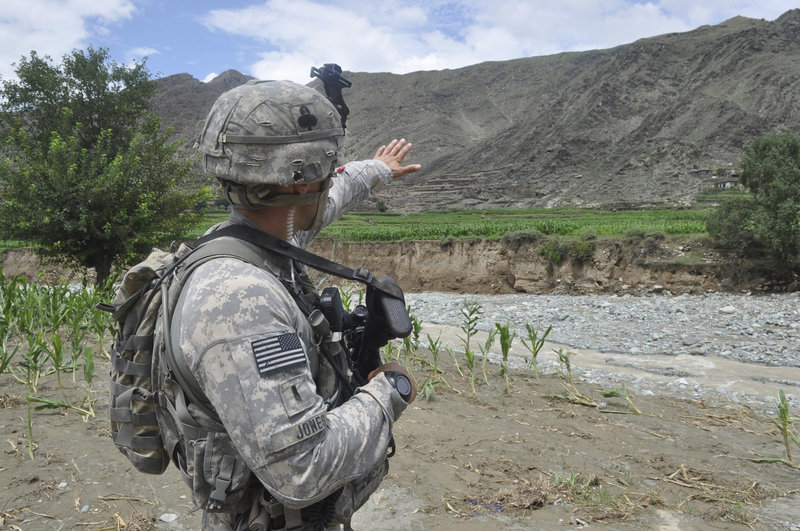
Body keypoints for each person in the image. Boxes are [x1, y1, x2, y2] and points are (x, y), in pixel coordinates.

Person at [166, 79, 422, 530]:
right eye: (327, 169)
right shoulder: (239, 300)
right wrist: (391, 391)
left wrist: (378, 169)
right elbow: (303, 470)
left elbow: (334, 194)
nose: (331, 182)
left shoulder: (253, 242)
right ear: (302, 185)